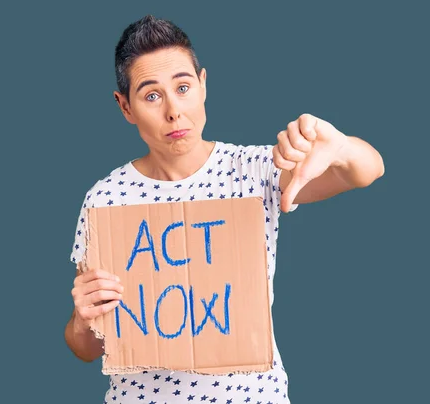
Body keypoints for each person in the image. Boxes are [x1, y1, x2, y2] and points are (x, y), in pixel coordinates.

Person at [65, 14, 384, 404]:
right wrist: (82, 320)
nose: (173, 111)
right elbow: (86, 348)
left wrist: (342, 147)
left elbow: (367, 171)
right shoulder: (106, 199)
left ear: (202, 85)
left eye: (182, 87)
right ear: (125, 106)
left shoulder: (253, 172)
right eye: (151, 95)